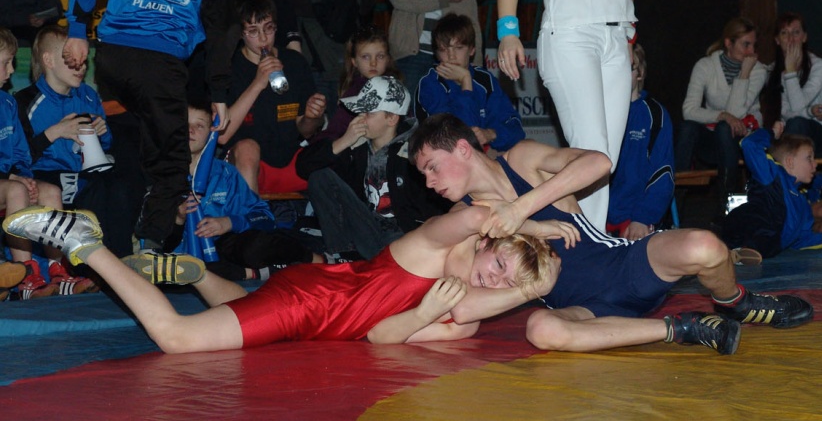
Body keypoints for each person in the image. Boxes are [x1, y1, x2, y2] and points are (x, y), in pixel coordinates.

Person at [408, 113, 814, 355]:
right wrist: (532, 290)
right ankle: (685, 328)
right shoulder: (464, 219)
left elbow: (599, 162)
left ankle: (737, 302)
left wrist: (520, 209)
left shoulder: (522, 161)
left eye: (432, 167)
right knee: (541, 330)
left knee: (706, 246)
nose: (428, 182)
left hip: (625, 265)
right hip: (583, 311)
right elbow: (463, 307)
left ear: (463, 149)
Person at [2, 199, 561, 350]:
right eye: (499, 264)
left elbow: (380, 335)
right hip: (308, 304)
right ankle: (83, 241)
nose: (494, 280)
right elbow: (475, 215)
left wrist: (424, 314)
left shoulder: (462, 317)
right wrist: (531, 220)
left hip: (309, 298)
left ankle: (196, 274)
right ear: (491, 242)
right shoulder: (442, 246)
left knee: (243, 306)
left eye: (508, 284)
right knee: (178, 338)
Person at [62, 0, 239, 255]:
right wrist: (219, 92)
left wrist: (77, 32)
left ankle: (121, 237)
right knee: (173, 164)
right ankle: (151, 247)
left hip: (112, 62)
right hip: (159, 66)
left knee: (137, 146)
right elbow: (224, 32)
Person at [495, 0, 637, 232]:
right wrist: (508, 32)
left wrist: (629, 31)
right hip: (569, 36)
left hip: (616, 37)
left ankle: (545, 215)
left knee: (605, 163)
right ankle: (590, 248)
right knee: (593, 155)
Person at [297, 76, 452, 261]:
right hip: (367, 230)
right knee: (320, 177)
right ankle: (342, 256)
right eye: (360, 112)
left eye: (368, 113)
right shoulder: (356, 144)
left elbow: (432, 206)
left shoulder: (415, 151)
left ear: (391, 118)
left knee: (400, 243)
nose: (360, 119)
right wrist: (343, 141)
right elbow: (303, 168)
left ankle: (367, 262)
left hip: (403, 237)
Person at [166, 98, 318, 281]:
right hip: (178, 256)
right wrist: (178, 219)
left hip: (222, 249)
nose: (190, 130)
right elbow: (152, 238)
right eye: (185, 124)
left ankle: (316, 259)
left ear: (211, 132)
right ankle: (255, 273)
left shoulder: (225, 174)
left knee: (256, 246)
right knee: (177, 268)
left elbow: (265, 217)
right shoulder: (159, 174)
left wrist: (229, 222)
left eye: (199, 125)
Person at [16, 26, 134, 257]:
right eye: (73, 58)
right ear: (49, 60)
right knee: (94, 188)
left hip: (86, 171)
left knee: (122, 184)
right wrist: (54, 132)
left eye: (84, 58)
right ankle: (94, 263)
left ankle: (123, 261)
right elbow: (16, 158)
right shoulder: (25, 102)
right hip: (44, 173)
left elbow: (105, 147)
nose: (82, 66)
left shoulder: (88, 95)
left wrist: (103, 133)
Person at [0, 27, 81, 299]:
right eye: (5, 63)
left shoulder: (7, 104)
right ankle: (24, 275)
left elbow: (20, 152)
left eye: (12, 62)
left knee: (51, 191)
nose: (11, 70)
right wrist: (14, 180)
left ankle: (58, 270)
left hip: (7, 181)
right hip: (6, 185)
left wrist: (24, 175)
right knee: (16, 190)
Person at [220, 0, 326, 194]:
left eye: (268, 28)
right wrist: (258, 83)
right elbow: (222, 136)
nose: (263, 38)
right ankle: (250, 213)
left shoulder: (294, 62)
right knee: (247, 150)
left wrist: (312, 117)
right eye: (253, 31)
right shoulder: (229, 67)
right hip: (246, 164)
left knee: (332, 151)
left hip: (289, 159)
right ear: (240, 33)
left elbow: (305, 130)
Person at [675, 17, 768, 213]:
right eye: (746, 44)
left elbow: (736, 112)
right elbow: (688, 110)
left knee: (725, 129)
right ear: (728, 43)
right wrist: (722, 115)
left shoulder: (758, 70)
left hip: (744, 140)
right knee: (688, 128)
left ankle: (729, 209)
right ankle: (673, 205)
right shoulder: (706, 65)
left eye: (754, 45)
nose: (751, 51)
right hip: (714, 139)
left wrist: (744, 74)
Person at [723, 123, 822, 261]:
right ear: (790, 162)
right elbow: (750, 144)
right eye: (809, 158)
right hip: (743, 227)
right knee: (761, 218)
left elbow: (800, 240)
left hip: (767, 245)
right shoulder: (772, 175)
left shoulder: (802, 205)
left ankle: (739, 254)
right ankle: (732, 245)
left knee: (774, 239)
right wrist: (771, 133)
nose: (815, 164)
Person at [415, 13, 525, 153]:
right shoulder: (430, 84)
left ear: (472, 50)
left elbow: (515, 128)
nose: (451, 56)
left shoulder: (485, 80)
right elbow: (458, 139)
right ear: (436, 54)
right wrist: (466, 82)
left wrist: (490, 134)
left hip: (485, 152)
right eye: (443, 49)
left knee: (526, 148)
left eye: (459, 48)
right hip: (444, 155)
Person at [606, 44, 674, 240]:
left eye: (627, 68)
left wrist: (642, 218)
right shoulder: (598, 113)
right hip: (598, 215)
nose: (619, 74)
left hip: (635, 217)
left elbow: (663, 172)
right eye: (615, 67)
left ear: (640, 73)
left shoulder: (654, 115)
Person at [760, 12, 822, 158]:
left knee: (797, 123)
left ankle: (785, 171)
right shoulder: (771, 72)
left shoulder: (819, 66)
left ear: (804, 37)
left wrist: (790, 72)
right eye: (784, 33)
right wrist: (809, 111)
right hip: (787, 133)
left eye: (796, 32)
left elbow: (798, 108)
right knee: (765, 136)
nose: (791, 38)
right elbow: (784, 112)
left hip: (819, 136)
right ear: (777, 40)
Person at [316, 26, 400, 142]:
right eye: (366, 57)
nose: (373, 63)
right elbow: (335, 130)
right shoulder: (353, 92)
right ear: (354, 61)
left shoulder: (396, 89)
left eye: (380, 56)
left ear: (388, 59)